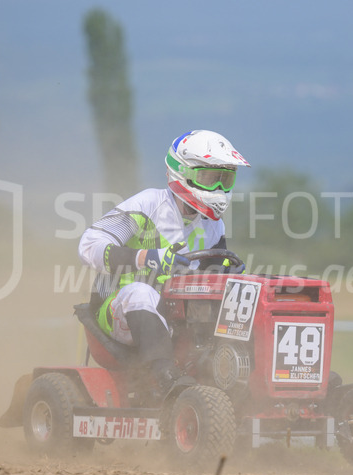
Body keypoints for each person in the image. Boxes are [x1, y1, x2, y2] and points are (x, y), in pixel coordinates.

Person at [78, 129, 249, 396]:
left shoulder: (213, 225)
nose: (217, 189)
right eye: (208, 178)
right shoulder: (148, 205)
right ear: (183, 173)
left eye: (224, 180)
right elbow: (89, 244)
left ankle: (239, 379)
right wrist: (144, 257)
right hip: (116, 312)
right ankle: (166, 380)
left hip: (174, 317)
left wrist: (229, 275)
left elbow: (210, 277)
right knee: (140, 292)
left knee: (239, 297)